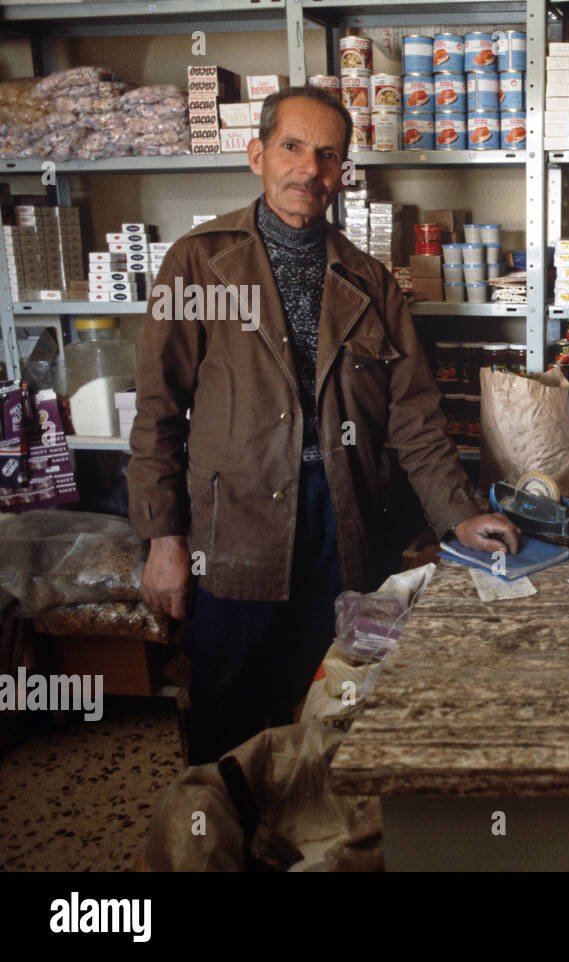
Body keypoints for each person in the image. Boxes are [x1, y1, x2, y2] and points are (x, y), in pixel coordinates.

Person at [127, 86, 519, 765]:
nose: (309, 168)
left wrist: (460, 516)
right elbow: (158, 409)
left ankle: (318, 851)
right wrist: (164, 540)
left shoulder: (369, 282)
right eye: (292, 147)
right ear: (257, 155)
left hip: (343, 525)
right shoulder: (197, 262)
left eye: (328, 155)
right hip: (234, 527)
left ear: (343, 172)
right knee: (228, 714)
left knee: (337, 702)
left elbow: (415, 420)